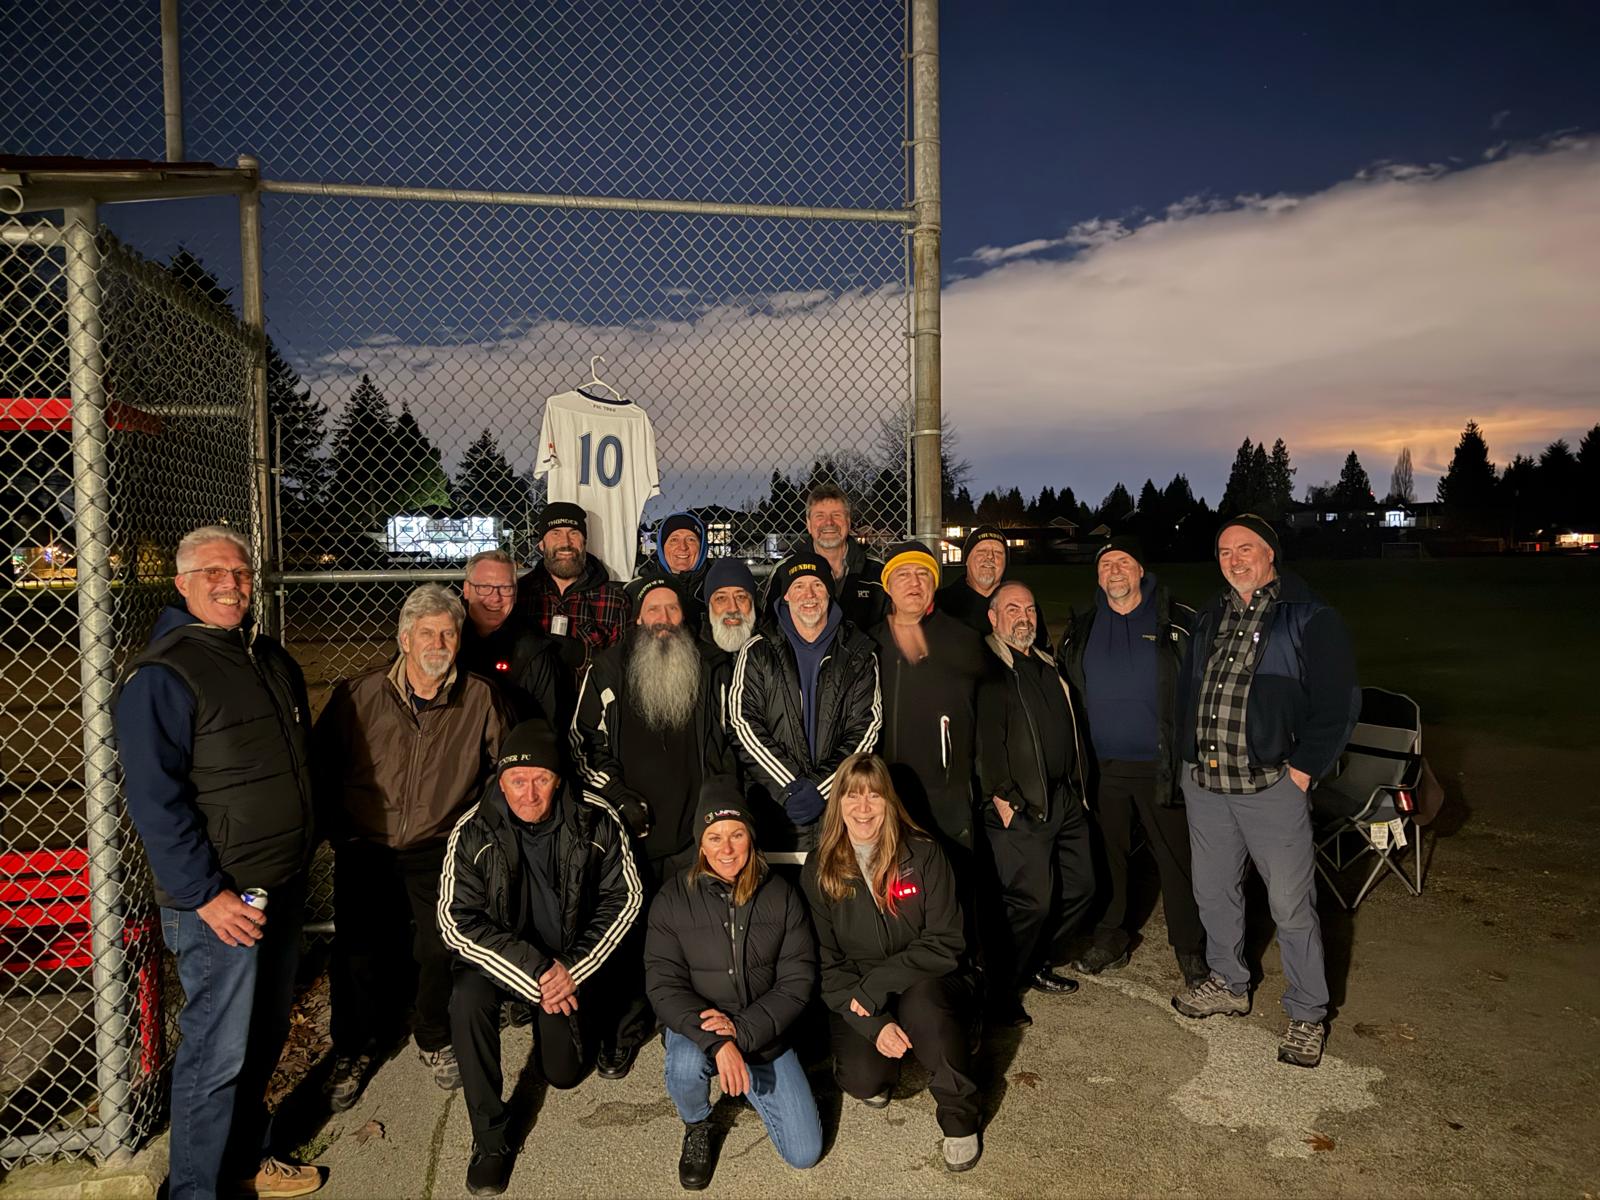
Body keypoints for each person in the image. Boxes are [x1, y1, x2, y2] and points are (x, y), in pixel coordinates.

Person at [114, 525, 323, 1200]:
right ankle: (193, 1190)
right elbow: (156, 801)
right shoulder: (163, 675)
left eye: (240, 573)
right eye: (214, 573)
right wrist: (206, 894)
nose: (232, 584)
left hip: (278, 883)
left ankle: (242, 1161)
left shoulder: (265, 656)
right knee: (216, 1053)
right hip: (220, 901)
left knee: (261, 1037)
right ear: (182, 583)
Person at [1172, 515, 1359, 1069]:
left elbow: (1339, 703)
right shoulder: (1211, 614)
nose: (1234, 560)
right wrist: (1184, 758)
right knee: (1213, 890)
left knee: (1289, 904)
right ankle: (1229, 982)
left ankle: (1307, 1012)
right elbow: (1188, 693)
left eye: (1245, 549)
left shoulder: (1309, 616)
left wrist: (1303, 770)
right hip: (1207, 784)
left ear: (1270, 553)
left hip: (1269, 785)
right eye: (1225, 551)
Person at [314, 584, 509, 1108]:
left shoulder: (479, 697)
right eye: (427, 633)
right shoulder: (360, 694)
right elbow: (321, 765)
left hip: (436, 843)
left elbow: (503, 770)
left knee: (439, 944)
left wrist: (476, 828)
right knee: (357, 950)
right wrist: (338, 826)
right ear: (404, 640)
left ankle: (433, 1035)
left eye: (448, 633)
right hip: (367, 840)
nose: (438, 643)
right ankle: (354, 1047)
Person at [439, 720, 645, 1197]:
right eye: (517, 780)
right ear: (501, 780)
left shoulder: (596, 818)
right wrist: (536, 972)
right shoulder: (471, 830)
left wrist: (571, 969)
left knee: (564, 1074)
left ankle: (572, 1016)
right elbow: (454, 920)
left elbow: (626, 898)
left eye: (541, 779)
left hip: (568, 962)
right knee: (465, 998)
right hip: (503, 962)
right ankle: (490, 1139)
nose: (528, 793)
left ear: (558, 779)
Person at [801, 753, 981, 1174]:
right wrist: (875, 1024)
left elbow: (947, 941)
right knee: (863, 1078)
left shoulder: (924, 854)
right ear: (838, 803)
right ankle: (893, 1049)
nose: (863, 808)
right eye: (852, 796)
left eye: (874, 796)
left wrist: (877, 985)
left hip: (928, 977)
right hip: (860, 988)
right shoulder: (819, 868)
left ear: (889, 802)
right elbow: (828, 967)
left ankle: (959, 1117)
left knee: (926, 1009)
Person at [644, 777, 822, 1189]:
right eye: (715, 837)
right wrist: (720, 1043)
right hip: (699, 1026)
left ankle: (747, 1081)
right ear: (701, 845)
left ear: (751, 838)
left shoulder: (781, 895)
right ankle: (697, 1123)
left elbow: (797, 981)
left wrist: (741, 1032)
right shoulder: (672, 899)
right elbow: (663, 985)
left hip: (761, 1031)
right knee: (685, 1067)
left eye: (736, 835)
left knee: (804, 1153)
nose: (726, 849)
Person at [1060, 538, 1208, 988]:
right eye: (1106, 564)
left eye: (1123, 562)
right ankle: (1111, 937)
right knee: (1109, 858)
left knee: (1176, 858)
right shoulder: (1083, 626)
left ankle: (1190, 948)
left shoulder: (1177, 621)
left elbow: (1202, 687)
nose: (1115, 570)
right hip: (1103, 766)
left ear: (1141, 570)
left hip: (1161, 766)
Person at [975, 581, 1094, 1026]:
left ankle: (1036, 960)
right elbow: (983, 740)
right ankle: (999, 991)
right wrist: (1003, 796)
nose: (1023, 617)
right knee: (1031, 902)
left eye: (1029, 609)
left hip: (1062, 797)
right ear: (993, 617)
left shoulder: (1045, 662)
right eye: (1012, 609)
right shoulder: (986, 667)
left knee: (1082, 887)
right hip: (1019, 803)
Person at [571, 577, 735, 885]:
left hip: (696, 834)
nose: (664, 618)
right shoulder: (608, 669)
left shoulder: (712, 667)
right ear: (638, 617)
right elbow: (583, 745)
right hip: (628, 829)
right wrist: (616, 795)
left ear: (683, 614)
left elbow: (729, 744)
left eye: (672, 608)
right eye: (653, 609)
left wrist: (719, 804)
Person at [729, 553, 881, 852]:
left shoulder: (858, 650)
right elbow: (742, 723)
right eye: (798, 586)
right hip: (775, 809)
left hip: (839, 813)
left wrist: (822, 788)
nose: (808, 595)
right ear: (786, 595)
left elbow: (866, 729)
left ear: (829, 592)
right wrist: (789, 786)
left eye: (817, 585)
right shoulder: (758, 650)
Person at [868, 541, 989, 870]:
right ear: (887, 586)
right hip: (886, 788)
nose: (914, 582)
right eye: (903, 574)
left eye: (923, 574)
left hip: (946, 790)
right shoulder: (871, 642)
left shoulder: (962, 638)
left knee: (953, 877)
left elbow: (987, 699)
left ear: (934, 584)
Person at [515, 502, 628, 673]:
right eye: (556, 533)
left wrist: (584, 656)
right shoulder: (519, 594)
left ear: (584, 542)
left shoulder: (615, 601)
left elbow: (621, 668)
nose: (566, 542)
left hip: (589, 690)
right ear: (541, 544)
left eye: (573, 533)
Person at [458, 549, 566, 727]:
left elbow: (550, 729)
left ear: (515, 594)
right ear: (467, 590)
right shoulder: (444, 640)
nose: (495, 597)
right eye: (484, 587)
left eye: (505, 588)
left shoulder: (533, 653)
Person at [760, 484, 888, 630]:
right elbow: (769, 628)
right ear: (808, 524)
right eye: (820, 516)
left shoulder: (876, 572)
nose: (829, 522)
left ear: (848, 522)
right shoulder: (784, 571)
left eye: (836, 515)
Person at [936, 525, 1051, 652]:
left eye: (998, 553)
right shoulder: (940, 604)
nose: (990, 557)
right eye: (981, 551)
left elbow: (1042, 655)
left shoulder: (1024, 606)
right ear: (966, 559)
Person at [629, 511, 710, 629]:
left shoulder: (717, 585)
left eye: (691, 539)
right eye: (674, 540)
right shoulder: (639, 588)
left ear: (702, 547)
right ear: (662, 547)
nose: (683, 547)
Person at [700, 557, 760, 661]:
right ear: (709, 606)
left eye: (740, 597)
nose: (733, 608)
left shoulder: (774, 648)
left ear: (752, 602)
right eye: (721, 598)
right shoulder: (694, 655)